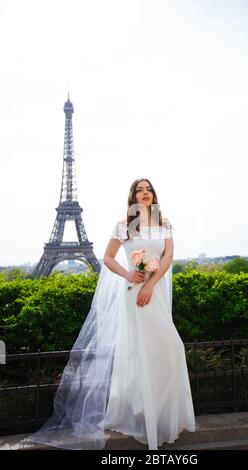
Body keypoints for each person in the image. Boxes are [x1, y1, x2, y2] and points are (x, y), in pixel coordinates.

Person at [25, 178, 196, 450]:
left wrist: (150, 285)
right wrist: (129, 273)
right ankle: (141, 415)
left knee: (170, 348)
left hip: (155, 292)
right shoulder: (124, 226)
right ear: (132, 196)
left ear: (154, 194)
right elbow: (108, 257)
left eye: (148, 189)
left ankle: (160, 415)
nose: (145, 193)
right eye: (139, 190)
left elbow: (168, 257)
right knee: (139, 352)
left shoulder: (165, 223)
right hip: (135, 293)